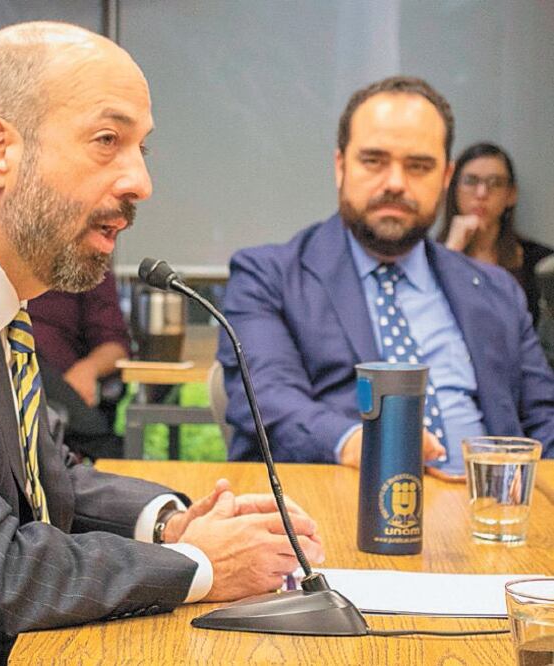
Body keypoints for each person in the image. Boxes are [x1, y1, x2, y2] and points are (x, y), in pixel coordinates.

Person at [0, 21, 324, 665]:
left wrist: (170, 521)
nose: (141, 181)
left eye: (143, 148)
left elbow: (43, 475)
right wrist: (197, 565)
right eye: (107, 141)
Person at [217, 76, 554, 478]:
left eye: (418, 166)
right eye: (374, 160)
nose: (395, 183)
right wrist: (366, 444)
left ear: (445, 178)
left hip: (489, 516)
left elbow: (543, 420)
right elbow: (268, 402)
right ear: (341, 166)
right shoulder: (268, 277)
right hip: (337, 512)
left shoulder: (497, 290)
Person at [437, 142, 553, 326]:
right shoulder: (424, 257)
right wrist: (451, 252)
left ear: (511, 194)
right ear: (453, 188)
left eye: (495, 183)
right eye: (471, 181)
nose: (482, 193)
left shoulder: (539, 261)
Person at [29, 269, 129, 458]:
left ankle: (101, 444)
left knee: (31, 360)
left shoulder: (85, 258)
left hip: (63, 385)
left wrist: (89, 368)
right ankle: (102, 444)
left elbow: (116, 346)